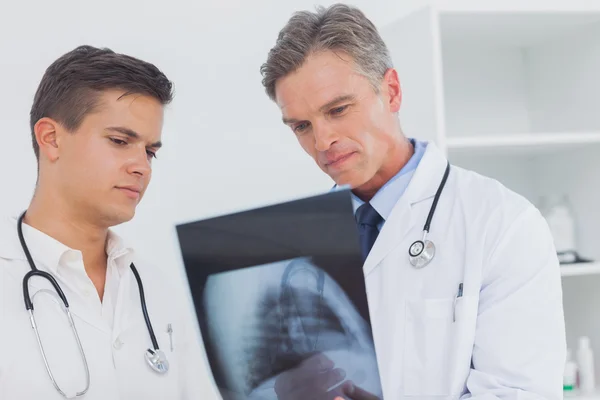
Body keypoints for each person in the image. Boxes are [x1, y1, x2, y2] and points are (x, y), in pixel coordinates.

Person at [259, 4, 566, 400]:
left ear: (391, 91)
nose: (322, 142)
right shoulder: (288, 242)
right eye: (302, 126)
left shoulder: (502, 223)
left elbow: (521, 393)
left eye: (337, 110)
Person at [0, 45, 209, 399]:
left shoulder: (155, 290)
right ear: (51, 138)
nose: (141, 166)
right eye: (119, 140)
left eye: (150, 151)